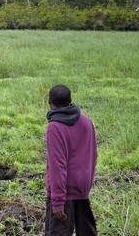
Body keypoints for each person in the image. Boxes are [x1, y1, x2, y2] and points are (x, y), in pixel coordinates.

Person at [44, 84, 97, 236]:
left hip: (64, 192)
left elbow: (57, 166)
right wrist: (86, 184)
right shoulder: (86, 121)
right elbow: (93, 154)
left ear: (50, 102)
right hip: (82, 187)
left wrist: (58, 201)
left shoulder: (55, 127)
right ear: (70, 100)